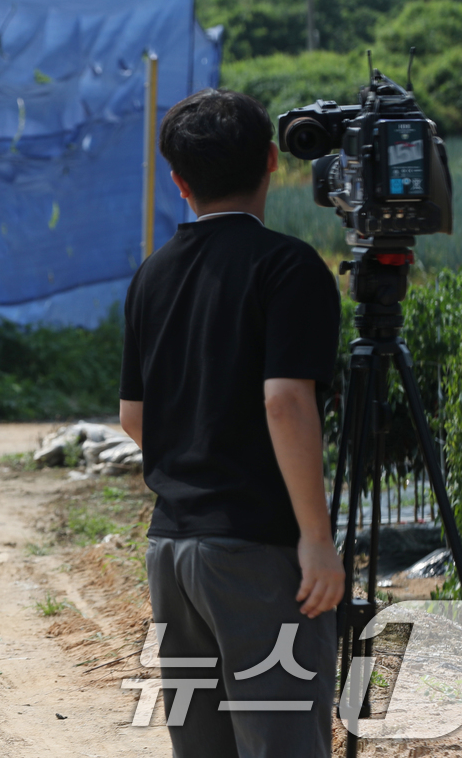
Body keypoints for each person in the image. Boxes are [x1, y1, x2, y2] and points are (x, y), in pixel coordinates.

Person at [118, 89, 345, 757]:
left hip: (171, 554)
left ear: (180, 183)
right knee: (281, 740)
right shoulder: (288, 266)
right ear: (273, 160)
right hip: (258, 555)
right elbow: (285, 402)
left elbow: (134, 417)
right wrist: (315, 536)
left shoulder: (150, 275)